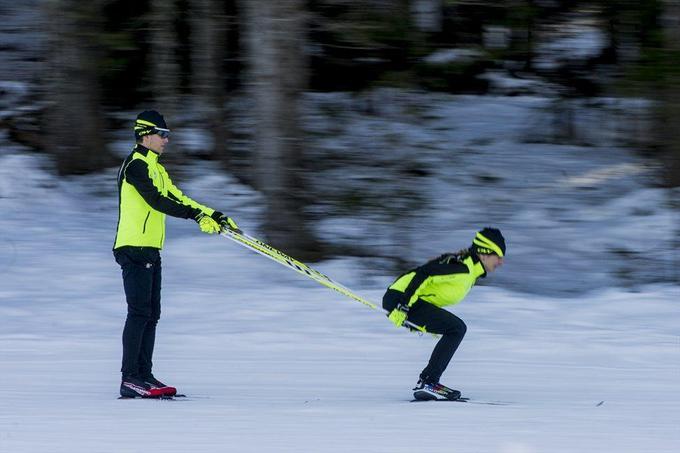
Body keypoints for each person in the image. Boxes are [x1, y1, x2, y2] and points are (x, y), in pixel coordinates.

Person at [113, 110, 240, 398]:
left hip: (151, 248)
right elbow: (156, 201)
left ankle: (144, 374)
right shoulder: (135, 165)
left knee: (152, 314)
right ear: (145, 134)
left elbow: (177, 197)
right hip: (133, 247)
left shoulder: (156, 167)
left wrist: (212, 214)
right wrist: (195, 218)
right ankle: (130, 378)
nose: (166, 140)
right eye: (162, 134)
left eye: (167, 135)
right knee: (139, 312)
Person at [382, 227, 506, 401]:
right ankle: (429, 382)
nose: (501, 262)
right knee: (456, 328)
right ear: (484, 253)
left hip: (409, 301)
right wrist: (404, 305)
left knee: (454, 328)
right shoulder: (461, 268)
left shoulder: (468, 270)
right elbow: (422, 274)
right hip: (401, 298)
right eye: (498, 256)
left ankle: (429, 381)